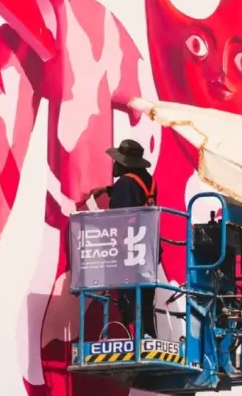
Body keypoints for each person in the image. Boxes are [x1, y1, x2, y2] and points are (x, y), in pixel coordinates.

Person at [88, 138, 158, 339]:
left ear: (123, 163)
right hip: (149, 249)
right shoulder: (149, 181)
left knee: (129, 300)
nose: (113, 164)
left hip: (129, 251)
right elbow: (135, 197)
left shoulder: (125, 183)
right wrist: (108, 190)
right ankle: (147, 337)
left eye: (116, 160)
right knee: (145, 301)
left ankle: (135, 339)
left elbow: (117, 218)